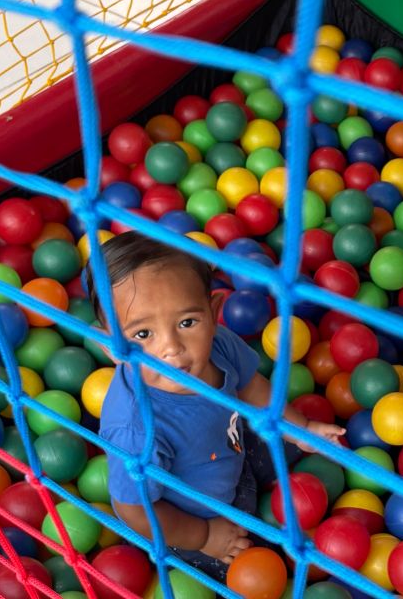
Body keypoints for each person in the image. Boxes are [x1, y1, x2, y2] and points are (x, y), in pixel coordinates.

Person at [86, 231, 345, 580]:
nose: (171, 348)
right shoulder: (134, 427)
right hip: (190, 522)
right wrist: (205, 536)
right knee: (254, 573)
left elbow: (251, 385)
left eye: (187, 323)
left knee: (306, 460)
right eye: (143, 334)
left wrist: (301, 428)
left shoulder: (219, 345)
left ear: (213, 313)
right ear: (110, 346)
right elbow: (135, 510)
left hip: (234, 451)